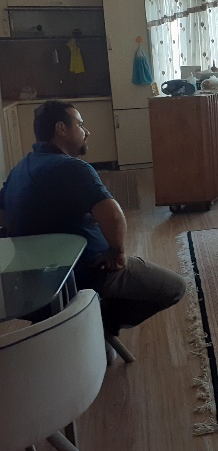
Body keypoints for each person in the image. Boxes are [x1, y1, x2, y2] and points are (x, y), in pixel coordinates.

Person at [0, 100, 186, 350]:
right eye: (80, 124)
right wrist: (117, 253)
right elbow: (113, 215)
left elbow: (3, 215)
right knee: (174, 287)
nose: (87, 132)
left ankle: (78, 326)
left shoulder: (20, 169)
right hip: (86, 273)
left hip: (32, 286)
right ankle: (94, 327)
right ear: (61, 129)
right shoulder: (73, 168)